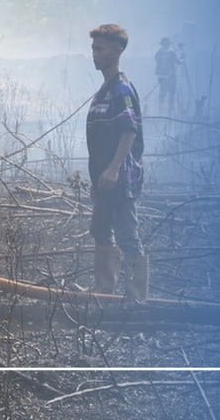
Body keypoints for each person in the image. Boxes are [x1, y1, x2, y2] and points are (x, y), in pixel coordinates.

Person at [86, 24, 148, 303]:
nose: (95, 55)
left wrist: (113, 169)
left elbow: (129, 131)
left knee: (126, 234)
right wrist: (99, 176)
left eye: (100, 49)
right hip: (104, 179)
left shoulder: (121, 89)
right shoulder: (103, 92)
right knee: (100, 230)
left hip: (120, 178)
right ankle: (104, 291)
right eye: (93, 49)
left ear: (117, 51)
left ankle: (136, 297)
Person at [154, 36, 180, 114]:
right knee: (168, 93)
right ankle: (165, 111)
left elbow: (177, 62)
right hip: (168, 77)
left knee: (165, 93)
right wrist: (182, 57)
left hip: (164, 77)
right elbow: (178, 62)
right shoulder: (170, 53)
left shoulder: (159, 53)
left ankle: (164, 111)